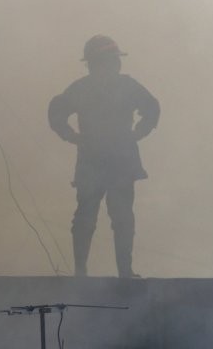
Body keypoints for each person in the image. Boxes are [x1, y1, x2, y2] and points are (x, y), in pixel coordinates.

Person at [48, 35, 160, 278]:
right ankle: (83, 272)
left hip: (115, 160)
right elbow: (56, 112)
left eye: (114, 61)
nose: (113, 66)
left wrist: (136, 134)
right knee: (87, 217)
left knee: (120, 217)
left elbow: (152, 108)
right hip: (96, 161)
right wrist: (73, 137)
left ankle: (123, 271)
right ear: (96, 64)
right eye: (109, 61)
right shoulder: (83, 89)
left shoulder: (122, 87)